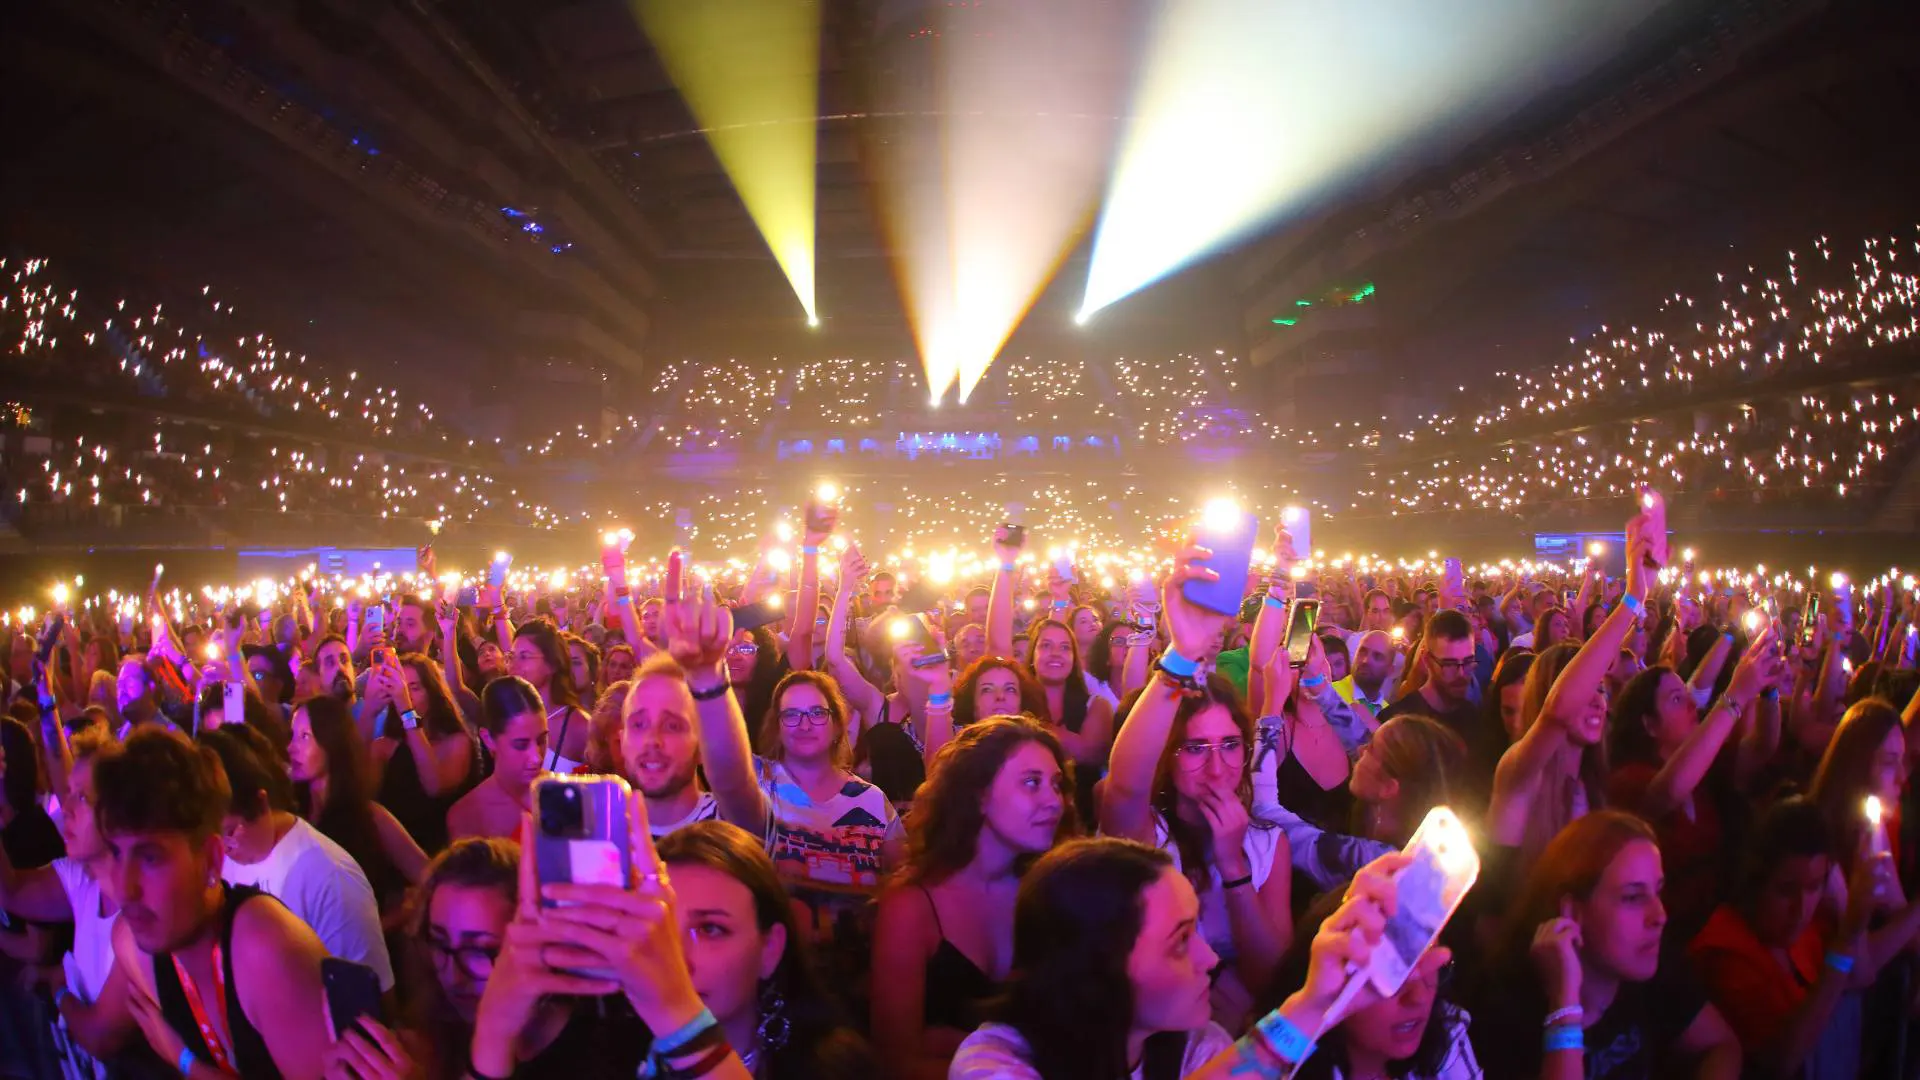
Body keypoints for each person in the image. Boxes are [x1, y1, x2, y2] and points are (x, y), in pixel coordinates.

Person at [951, 840, 1422, 1080]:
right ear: (1094, 964)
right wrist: (1305, 1007)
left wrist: (1321, 1001)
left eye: (1196, 928)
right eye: (1179, 940)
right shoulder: (994, 1061)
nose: (1209, 956)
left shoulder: (1196, 1047)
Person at [1103, 549, 1292, 1029]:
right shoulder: (1148, 835)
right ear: (1167, 756)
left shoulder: (1268, 844)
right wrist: (1182, 655)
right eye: (1194, 748)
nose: (1216, 766)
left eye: (1230, 744)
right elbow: (1124, 787)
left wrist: (1234, 867)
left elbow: (1275, 977)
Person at [98, 728, 332, 1079]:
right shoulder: (132, 943)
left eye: (149, 858)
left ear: (210, 859)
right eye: (116, 852)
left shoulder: (265, 947)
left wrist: (185, 1061)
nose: (124, 889)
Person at [871, 716, 1074, 1079]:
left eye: (1056, 785)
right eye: (1032, 783)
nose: (1053, 801)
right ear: (978, 796)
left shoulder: (1053, 893)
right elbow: (895, 1064)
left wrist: (960, 1046)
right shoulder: (912, 907)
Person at [1470, 810, 1741, 1080]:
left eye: (1657, 891)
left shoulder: (1648, 958)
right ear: (1572, 912)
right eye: (1633, 897)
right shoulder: (1505, 1011)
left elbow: (1723, 1046)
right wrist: (1564, 1002)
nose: (1659, 916)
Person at [1689, 797, 1920, 1080]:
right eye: (1786, 890)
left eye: (1814, 887)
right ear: (1754, 882)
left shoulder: (1806, 927)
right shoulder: (1724, 953)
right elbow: (1783, 1060)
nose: (1801, 909)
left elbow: (1862, 974)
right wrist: (1846, 937)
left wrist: (1852, 909)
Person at [199, 723, 397, 993]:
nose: (224, 849)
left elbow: (366, 1002)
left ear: (260, 803)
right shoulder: (218, 859)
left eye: (230, 832)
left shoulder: (330, 877)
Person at [1604, 637, 1780, 936]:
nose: (1690, 703)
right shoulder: (1628, 779)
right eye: (1675, 699)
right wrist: (1735, 695)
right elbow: (1669, 790)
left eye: (1686, 695)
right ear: (1649, 724)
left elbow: (1762, 748)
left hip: (1715, 923)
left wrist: (1769, 690)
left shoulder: (1704, 761)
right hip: (1665, 935)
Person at [0, 730, 135, 1079]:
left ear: (119, 812)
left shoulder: (141, 912)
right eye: (69, 796)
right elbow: (10, 891)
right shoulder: (82, 880)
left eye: (82, 798)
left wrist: (60, 988)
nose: (68, 809)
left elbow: (102, 1037)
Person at [1264, 890, 1481, 1080]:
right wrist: (1309, 1005)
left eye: (1431, 969)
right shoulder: (1285, 1063)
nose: (1419, 997)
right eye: (1392, 976)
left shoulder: (1447, 1031)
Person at [288, 696, 428, 916]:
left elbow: (429, 877)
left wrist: (381, 926)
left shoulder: (369, 817)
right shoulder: (292, 815)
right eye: (293, 736)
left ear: (332, 742)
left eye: (305, 737)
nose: (291, 748)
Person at [1375, 612, 1492, 802]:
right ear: (1427, 661)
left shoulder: (1478, 720)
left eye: (1468, 662)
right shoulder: (1395, 721)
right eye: (1449, 664)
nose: (1461, 674)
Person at [366, 652, 476, 855]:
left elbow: (434, 786)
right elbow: (359, 795)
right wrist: (369, 710)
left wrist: (407, 710)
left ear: (432, 692)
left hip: (443, 852)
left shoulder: (457, 742)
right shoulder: (384, 747)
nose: (406, 695)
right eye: (401, 688)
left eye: (414, 688)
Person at [622, 656, 720, 838]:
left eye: (672, 726)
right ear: (622, 741)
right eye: (639, 724)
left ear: (702, 745)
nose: (652, 739)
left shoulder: (733, 825)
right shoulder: (602, 829)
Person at [447, 677, 549, 842]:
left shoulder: (566, 790)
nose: (536, 757)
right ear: (488, 739)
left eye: (541, 741)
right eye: (521, 744)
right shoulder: (467, 815)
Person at [508, 620, 592, 774]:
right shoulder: (509, 718)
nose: (514, 665)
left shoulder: (578, 726)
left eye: (524, 656)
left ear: (551, 665)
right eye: (511, 657)